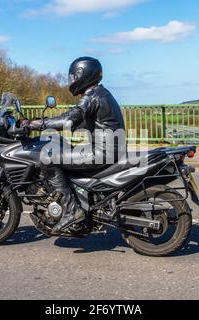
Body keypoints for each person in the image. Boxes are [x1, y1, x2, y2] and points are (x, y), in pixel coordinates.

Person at [28, 57, 125, 234]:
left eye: (73, 77)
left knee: (48, 159)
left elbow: (70, 117)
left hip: (103, 152)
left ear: (83, 75)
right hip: (109, 149)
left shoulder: (92, 95)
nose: (71, 81)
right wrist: (60, 127)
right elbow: (81, 121)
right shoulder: (100, 93)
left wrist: (38, 124)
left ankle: (72, 211)